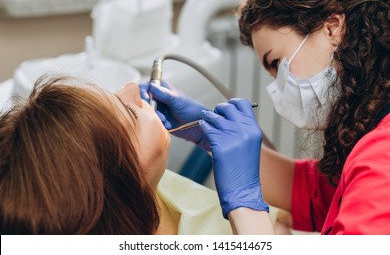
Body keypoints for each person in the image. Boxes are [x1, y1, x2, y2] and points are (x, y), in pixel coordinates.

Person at [140, 0, 390, 234]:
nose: (278, 90)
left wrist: (244, 204)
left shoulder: (382, 156)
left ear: (332, 28)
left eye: (277, 63)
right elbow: (317, 193)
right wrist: (207, 135)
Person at [0, 76, 236, 234]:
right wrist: (248, 214)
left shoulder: (153, 188)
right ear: (127, 180)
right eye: (129, 113)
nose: (132, 87)